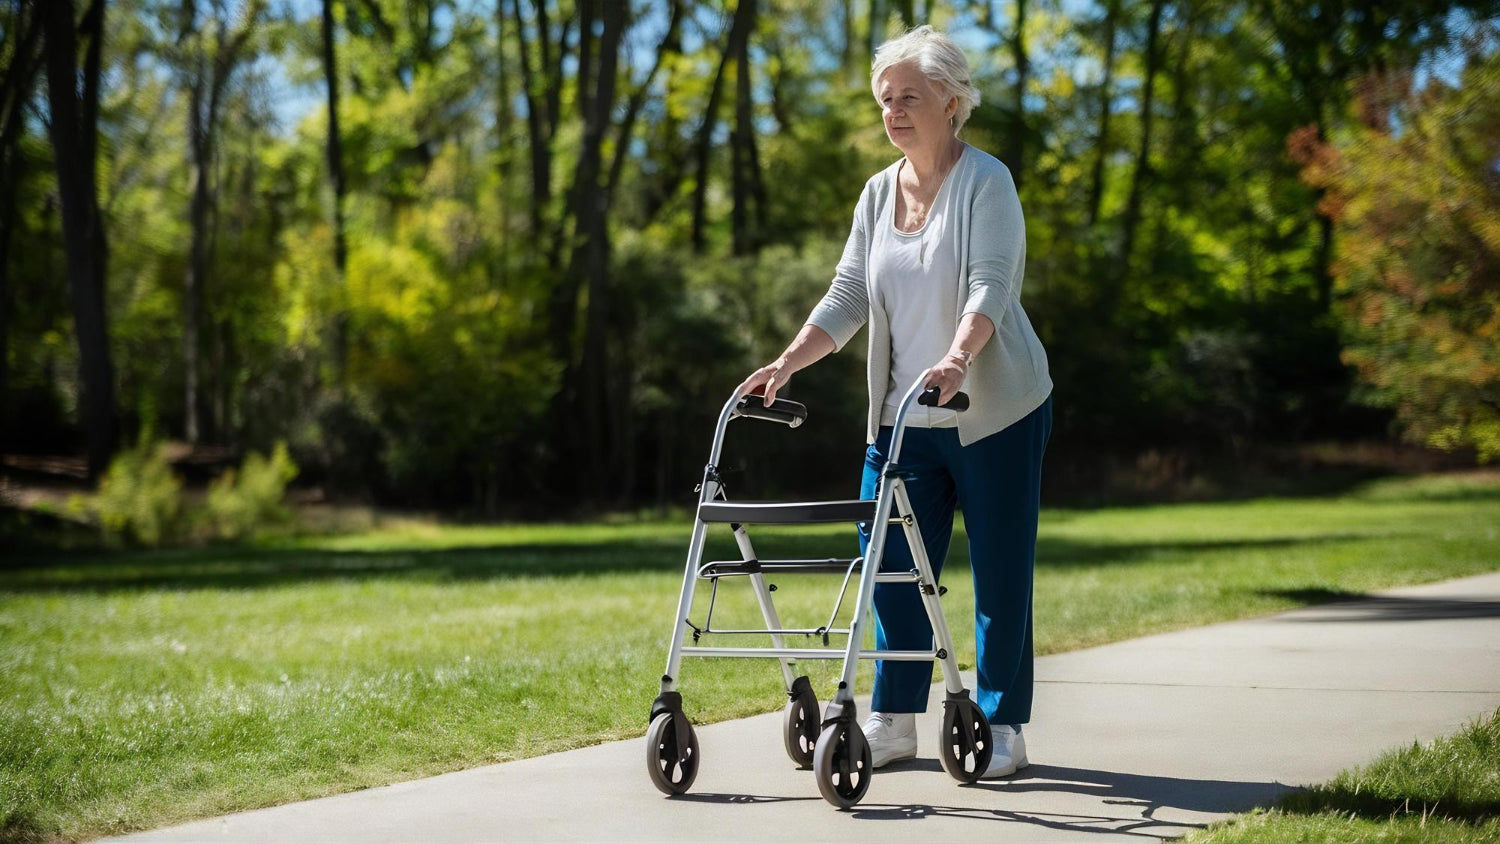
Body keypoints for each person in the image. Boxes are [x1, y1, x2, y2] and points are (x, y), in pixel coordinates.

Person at [735, 24, 1053, 779]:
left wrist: (957, 357)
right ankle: (895, 718)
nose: (894, 110)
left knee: (1001, 572)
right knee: (887, 569)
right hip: (901, 418)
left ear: (952, 100)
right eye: (885, 99)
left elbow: (992, 285)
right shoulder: (878, 192)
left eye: (909, 96)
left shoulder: (987, 182)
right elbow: (849, 291)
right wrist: (788, 361)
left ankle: (1003, 724)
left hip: (994, 410)